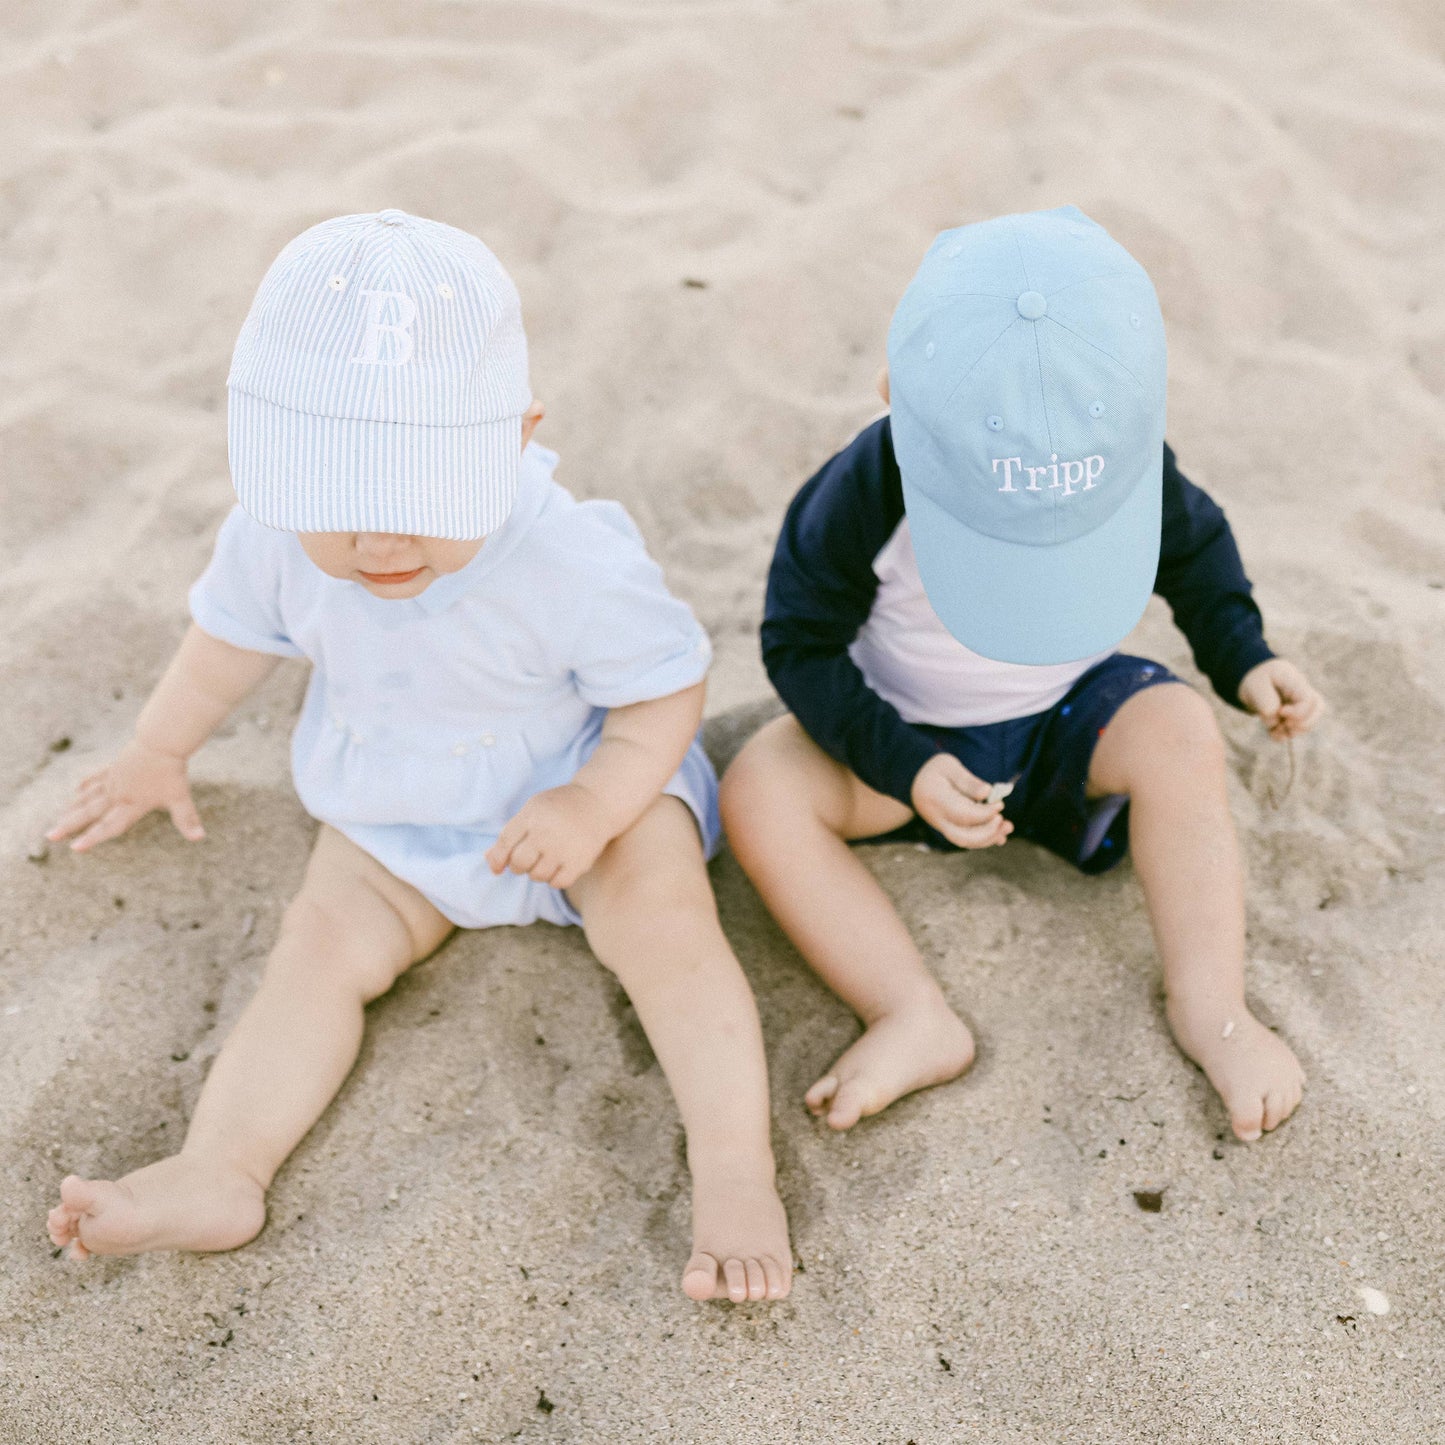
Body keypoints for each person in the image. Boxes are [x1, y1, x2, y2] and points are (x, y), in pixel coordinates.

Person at [45, 210, 791, 1305]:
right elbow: (227, 641)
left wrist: (593, 802)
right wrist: (158, 748)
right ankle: (222, 1166)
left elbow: (663, 687)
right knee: (314, 951)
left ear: (515, 435)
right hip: (394, 796)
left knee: (666, 925)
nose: (380, 542)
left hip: (579, 779)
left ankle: (734, 1168)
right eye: (340, 499)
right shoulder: (275, 530)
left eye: (420, 495)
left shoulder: (566, 559)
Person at [721, 206, 1323, 1143]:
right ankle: (908, 1009)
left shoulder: (1122, 459)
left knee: (1179, 730)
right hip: (906, 741)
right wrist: (904, 764)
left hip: (1065, 722)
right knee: (760, 785)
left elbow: (1195, 552)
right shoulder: (864, 487)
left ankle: (1213, 1007)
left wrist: (1244, 657)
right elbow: (797, 643)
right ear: (892, 399)